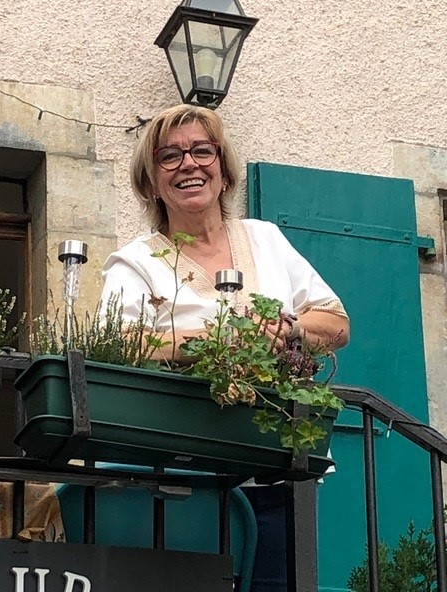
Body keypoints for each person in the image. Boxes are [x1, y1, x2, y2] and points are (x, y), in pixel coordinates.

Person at [100, 103, 350, 591]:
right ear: (151, 182)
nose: (189, 164)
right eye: (169, 156)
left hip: (276, 475)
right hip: (180, 483)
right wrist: (216, 340)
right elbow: (118, 345)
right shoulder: (136, 262)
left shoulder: (265, 239)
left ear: (223, 167)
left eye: (202, 150)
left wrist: (288, 329)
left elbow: (336, 322)